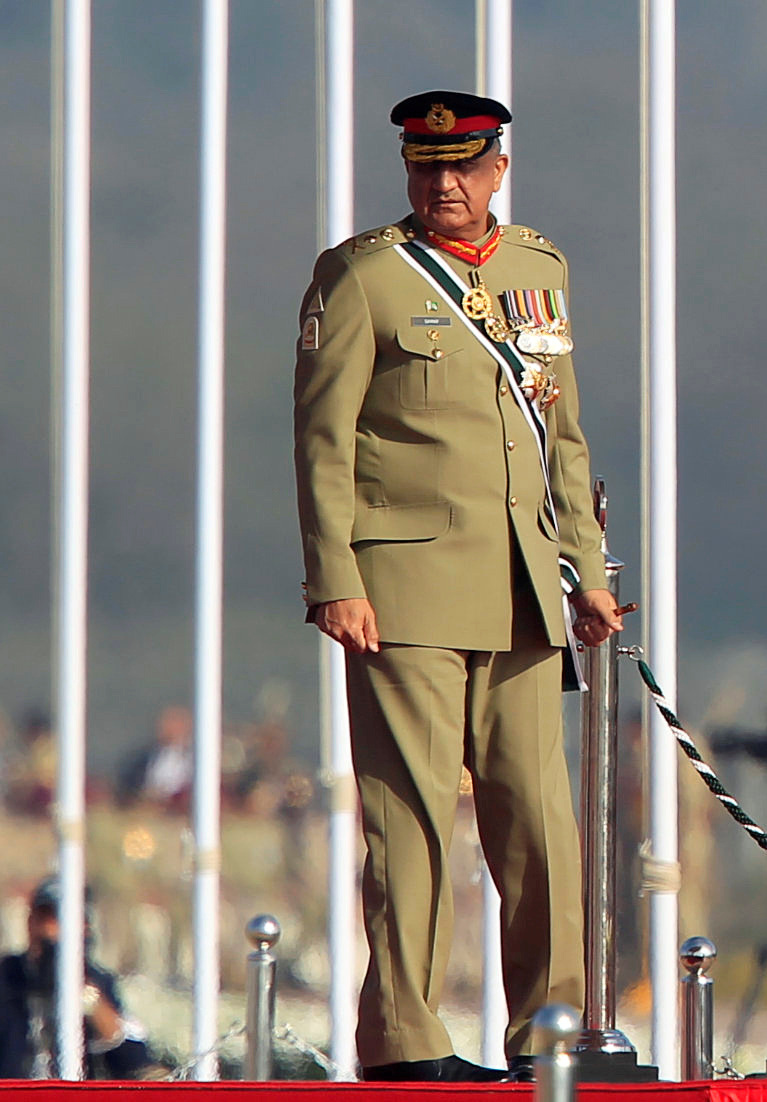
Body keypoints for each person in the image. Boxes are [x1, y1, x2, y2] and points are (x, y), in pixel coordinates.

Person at [292, 90, 624, 1083]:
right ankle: (405, 1039)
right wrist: (333, 578)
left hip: (521, 587)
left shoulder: (537, 271)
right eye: (424, 167)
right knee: (413, 817)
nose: (442, 184)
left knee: (537, 821)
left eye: (461, 167)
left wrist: (589, 575)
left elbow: (557, 438)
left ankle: (549, 1031)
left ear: (495, 171)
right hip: (401, 588)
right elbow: (320, 441)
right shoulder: (362, 277)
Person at [0, 877, 154, 1080]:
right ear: (30, 923)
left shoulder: (98, 983)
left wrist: (89, 999)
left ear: (85, 927)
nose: (49, 931)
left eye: (62, 920)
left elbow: (135, 1063)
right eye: (44, 919)